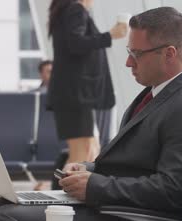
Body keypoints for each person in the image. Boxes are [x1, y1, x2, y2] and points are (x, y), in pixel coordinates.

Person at [0, 6, 182, 221]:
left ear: (169, 54)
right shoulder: (154, 96)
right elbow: (132, 166)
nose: (128, 62)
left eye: (136, 54)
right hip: (110, 213)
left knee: (6, 220)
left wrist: (94, 185)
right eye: (129, 52)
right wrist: (87, 169)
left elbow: (172, 190)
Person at [46, 0, 127, 167]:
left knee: (90, 151)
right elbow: (77, 44)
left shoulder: (66, 10)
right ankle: (65, 192)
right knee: (82, 155)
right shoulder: (76, 9)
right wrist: (110, 35)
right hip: (74, 94)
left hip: (71, 93)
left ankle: (68, 190)